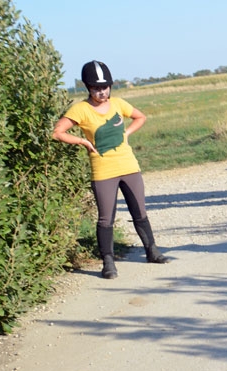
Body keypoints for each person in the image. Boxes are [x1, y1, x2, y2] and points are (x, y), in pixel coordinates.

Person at [51, 60, 168, 279]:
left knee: (140, 212)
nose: (101, 92)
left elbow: (140, 117)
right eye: (96, 88)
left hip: (129, 166)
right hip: (103, 170)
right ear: (88, 88)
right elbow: (57, 132)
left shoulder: (119, 104)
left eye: (104, 87)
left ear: (110, 86)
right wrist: (83, 142)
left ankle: (152, 251)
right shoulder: (80, 109)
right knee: (106, 219)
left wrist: (127, 133)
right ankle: (108, 263)